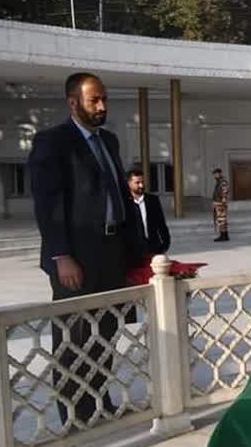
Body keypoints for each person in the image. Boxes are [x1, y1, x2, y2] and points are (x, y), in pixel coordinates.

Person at [28, 71, 139, 427]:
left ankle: (98, 400)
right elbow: (48, 204)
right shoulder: (53, 142)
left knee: (104, 335)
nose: (102, 106)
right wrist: (62, 256)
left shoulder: (109, 141)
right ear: (73, 102)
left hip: (111, 252)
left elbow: (119, 197)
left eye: (104, 99)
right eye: (95, 100)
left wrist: (139, 253)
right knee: (74, 339)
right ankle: (75, 414)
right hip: (75, 258)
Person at [127, 169, 171, 255]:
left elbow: (161, 224)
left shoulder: (153, 200)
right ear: (129, 183)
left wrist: (165, 244)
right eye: (137, 182)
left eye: (143, 182)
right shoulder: (124, 202)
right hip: (133, 251)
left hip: (153, 248)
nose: (141, 185)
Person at [211, 168, 230, 242]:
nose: (215, 175)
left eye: (216, 174)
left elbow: (225, 191)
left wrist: (223, 200)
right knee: (221, 220)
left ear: (219, 173)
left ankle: (223, 235)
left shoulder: (222, 182)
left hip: (220, 204)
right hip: (218, 203)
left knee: (222, 220)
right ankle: (224, 234)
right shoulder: (219, 181)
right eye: (214, 174)